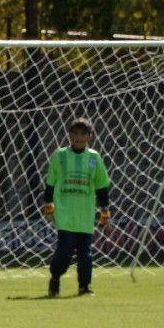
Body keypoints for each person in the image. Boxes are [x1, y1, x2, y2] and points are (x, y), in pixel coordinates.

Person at [42, 117, 111, 297]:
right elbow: (50, 183)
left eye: (83, 134)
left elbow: (101, 185)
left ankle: (84, 287)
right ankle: (55, 277)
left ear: (89, 136)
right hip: (64, 213)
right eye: (76, 134)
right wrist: (48, 205)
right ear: (70, 135)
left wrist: (105, 209)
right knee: (65, 250)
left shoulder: (94, 158)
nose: (79, 137)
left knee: (85, 253)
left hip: (85, 213)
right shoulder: (60, 156)